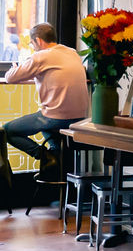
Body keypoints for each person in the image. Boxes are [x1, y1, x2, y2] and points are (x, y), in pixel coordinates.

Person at [2, 23, 89, 180]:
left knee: (6, 131)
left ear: (38, 41)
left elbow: (10, 77)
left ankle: (46, 157)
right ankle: (56, 165)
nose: (33, 47)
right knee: (46, 125)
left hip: (56, 117)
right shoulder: (72, 53)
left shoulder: (41, 56)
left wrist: (15, 68)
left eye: (32, 43)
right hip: (80, 118)